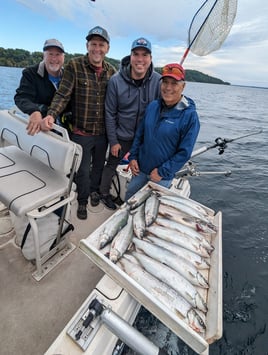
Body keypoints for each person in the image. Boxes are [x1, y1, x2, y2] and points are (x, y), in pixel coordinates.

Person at [40, 26, 116, 220]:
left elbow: (117, 104)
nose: (97, 48)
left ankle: (94, 192)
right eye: (93, 44)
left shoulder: (112, 72)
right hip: (80, 133)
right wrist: (51, 114)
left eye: (101, 44)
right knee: (82, 170)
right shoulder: (74, 65)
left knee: (98, 167)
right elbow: (63, 94)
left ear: (107, 48)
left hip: (102, 134)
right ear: (87, 46)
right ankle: (82, 200)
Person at [98, 37, 161, 210]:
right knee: (111, 165)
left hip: (145, 138)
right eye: (136, 54)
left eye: (145, 55)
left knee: (141, 169)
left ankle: (138, 199)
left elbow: (165, 109)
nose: (140, 59)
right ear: (130, 56)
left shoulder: (159, 81)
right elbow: (109, 113)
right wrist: (113, 141)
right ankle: (103, 193)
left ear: (150, 58)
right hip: (121, 135)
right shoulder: (115, 81)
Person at [125, 63, 200, 201]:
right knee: (130, 199)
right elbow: (139, 135)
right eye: (165, 82)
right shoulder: (153, 106)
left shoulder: (190, 117)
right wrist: (133, 157)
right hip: (139, 169)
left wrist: (161, 171)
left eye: (174, 83)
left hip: (161, 177)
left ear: (183, 86)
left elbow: (184, 152)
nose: (168, 87)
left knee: (150, 208)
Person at [14, 39, 66, 135]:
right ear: (44, 56)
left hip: (64, 130)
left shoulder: (68, 76)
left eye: (58, 54)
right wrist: (34, 111)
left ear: (63, 57)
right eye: (50, 54)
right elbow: (21, 97)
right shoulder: (30, 73)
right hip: (41, 129)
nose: (54, 59)